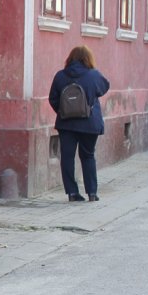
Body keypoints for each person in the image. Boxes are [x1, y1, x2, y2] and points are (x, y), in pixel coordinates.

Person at [48, 45, 110, 202]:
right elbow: (104, 87)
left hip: (66, 124)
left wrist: (63, 111)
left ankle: (72, 193)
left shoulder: (60, 76)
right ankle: (92, 192)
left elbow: (52, 98)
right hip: (89, 123)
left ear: (70, 58)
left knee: (67, 157)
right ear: (88, 59)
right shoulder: (93, 75)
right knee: (88, 155)